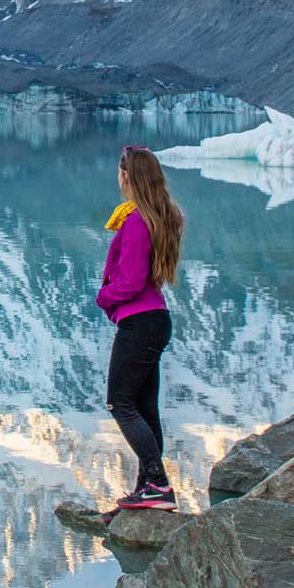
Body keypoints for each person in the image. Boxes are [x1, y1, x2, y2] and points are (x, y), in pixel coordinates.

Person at [97, 144, 183, 511]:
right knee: (145, 409)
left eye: (120, 172)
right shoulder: (160, 216)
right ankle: (147, 491)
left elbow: (130, 281)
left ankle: (157, 484)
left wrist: (104, 297)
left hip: (139, 322)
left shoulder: (136, 222)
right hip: (154, 320)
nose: (118, 179)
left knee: (121, 403)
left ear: (128, 177)